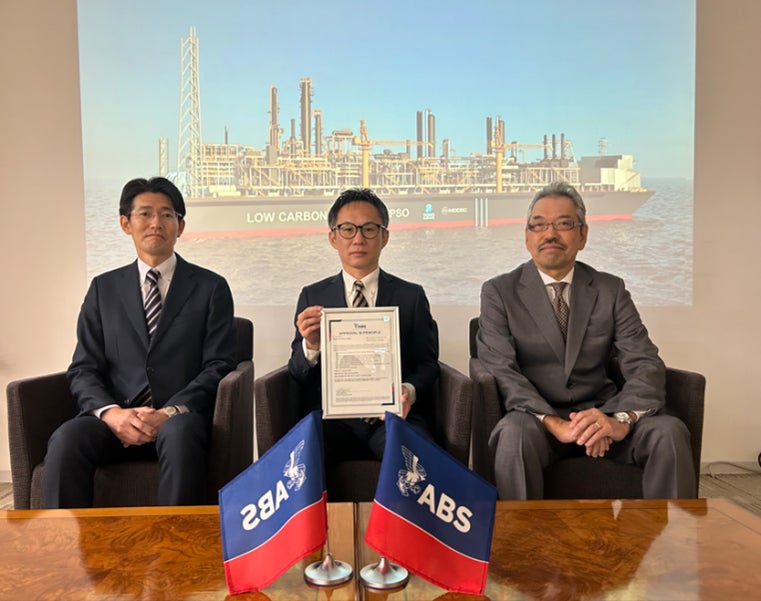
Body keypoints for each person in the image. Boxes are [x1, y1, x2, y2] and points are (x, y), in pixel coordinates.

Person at [476, 181, 694, 500]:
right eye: (539, 225)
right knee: (513, 433)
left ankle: (677, 533)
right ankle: (521, 534)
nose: (550, 234)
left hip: (605, 414)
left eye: (564, 224)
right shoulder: (499, 292)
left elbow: (644, 362)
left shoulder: (610, 290)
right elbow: (502, 370)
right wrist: (555, 423)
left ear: (583, 235)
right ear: (527, 236)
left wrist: (619, 420)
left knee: (668, 431)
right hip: (539, 425)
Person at [43, 177, 237, 508]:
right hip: (116, 419)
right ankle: (63, 541)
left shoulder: (211, 287)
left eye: (167, 214)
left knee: (179, 435)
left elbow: (219, 365)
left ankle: (173, 541)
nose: (156, 223)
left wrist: (169, 412)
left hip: (179, 418)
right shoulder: (103, 289)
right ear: (126, 223)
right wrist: (112, 414)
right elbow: (84, 368)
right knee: (67, 439)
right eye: (145, 213)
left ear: (180, 225)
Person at [288, 188, 440, 464]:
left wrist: (408, 390)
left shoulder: (411, 296)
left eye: (369, 229)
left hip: (393, 417)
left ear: (385, 237)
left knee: (416, 461)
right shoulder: (313, 296)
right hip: (332, 420)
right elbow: (297, 373)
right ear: (333, 238)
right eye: (348, 229)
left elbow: (428, 365)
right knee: (301, 459)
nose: (358, 238)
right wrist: (311, 346)